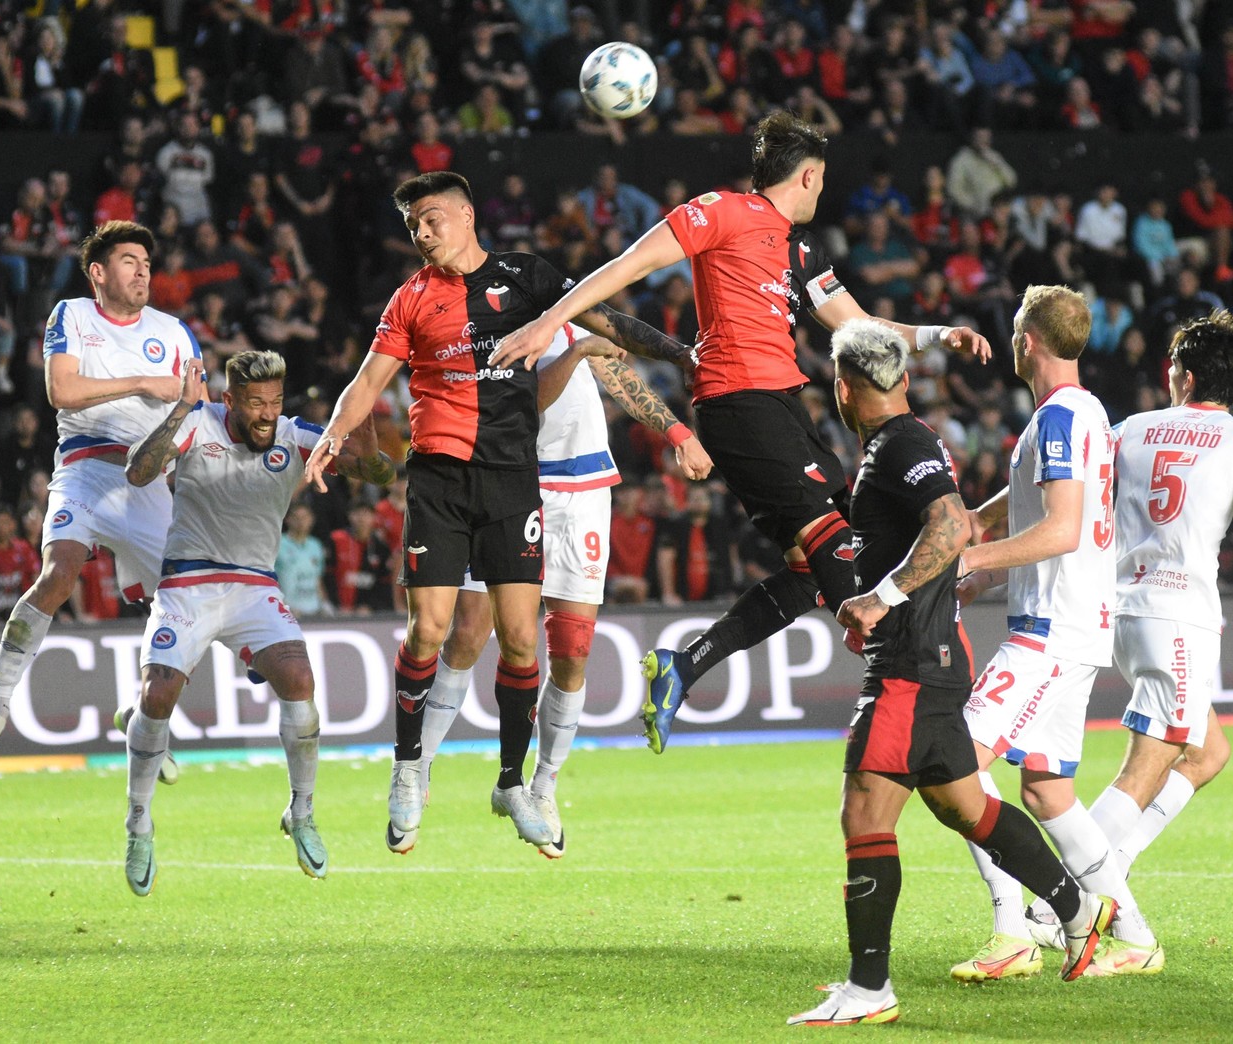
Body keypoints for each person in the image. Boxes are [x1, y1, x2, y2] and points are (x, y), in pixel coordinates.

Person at [490, 112, 991, 754]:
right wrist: (547, 322)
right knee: (833, 541)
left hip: (783, 403)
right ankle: (900, 675)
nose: (820, 192)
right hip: (737, 402)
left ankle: (687, 664)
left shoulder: (799, 249)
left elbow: (860, 325)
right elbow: (628, 265)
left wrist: (935, 335)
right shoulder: (719, 212)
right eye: (821, 181)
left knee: (816, 565)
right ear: (807, 176)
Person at [302, 171, 693, 853]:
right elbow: (369, 380)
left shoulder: (529, 280)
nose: (422, 235)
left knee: (522, 641)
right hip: (440, 480)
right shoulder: (411, 299)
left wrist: (681, 352)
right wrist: (333, 436)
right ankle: (407, 770)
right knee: (432, 632)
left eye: (430, 220)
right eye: (412, 227)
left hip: (515, 481)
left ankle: (517, 782)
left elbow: (606, 322)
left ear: (465, 216)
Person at [789, 321, 1115, 1027]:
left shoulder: (900, 445)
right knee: (962, 806)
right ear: (901, 381)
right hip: (933, 655)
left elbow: (950, 526)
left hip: (909, 664)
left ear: (842, 390)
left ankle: (869, 987)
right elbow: (937, 525)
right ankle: (1076, 905)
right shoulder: (906, 440)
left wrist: (881, 597)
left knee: (864, 811)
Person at [1021, 310, 1233, 974]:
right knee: (1143, 769)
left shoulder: (1128, 429)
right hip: (1176, 613)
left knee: (1207, 753)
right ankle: (1053, 905)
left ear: (1176, 373)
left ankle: (1105, 872)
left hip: (1118, 605)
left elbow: (1068, 495)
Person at [414, 323, 713, 857]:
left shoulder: (567, 306)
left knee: (572, 651)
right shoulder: (475, 325)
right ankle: (418, 766)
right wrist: (576, 353)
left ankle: (543, 787)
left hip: (582, 486)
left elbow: (617, 373)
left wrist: (677, 434)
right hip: (509, 478)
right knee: (467, 634)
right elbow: (527, 400)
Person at [117, 350, 395, 895]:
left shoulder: (295, 436)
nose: (267, 413)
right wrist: (179, 410)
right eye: (254, 403)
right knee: (158, 694)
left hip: (253, 586)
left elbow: (377, 474)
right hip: (188, 584)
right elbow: (138, 471)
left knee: (300, 679)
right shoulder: (198, 424)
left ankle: (303, 811)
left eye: (274, 401)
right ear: (229, 401)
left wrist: (367, 446)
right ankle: (138, 824)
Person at [948, 285, 1159, 980]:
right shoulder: (1084, 412)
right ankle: (1132, 935)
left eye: (1014, 330)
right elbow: (1041, 498)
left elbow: (1062, 527)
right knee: (1044, 790)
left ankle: (1013, 931)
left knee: (956, 768)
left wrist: (973, 557)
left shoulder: (1059, 420)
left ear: (1028, 339)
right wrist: (978, 525)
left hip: (1049, 631)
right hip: (1075, 624)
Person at [0, 221, 197, 761]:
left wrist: (180, 437)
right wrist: (141, 382)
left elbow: (196, 410)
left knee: (191, 609)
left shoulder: (175, 330)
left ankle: (142, 716)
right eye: (129, 260)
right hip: (87, 469)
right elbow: (60, 391)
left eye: (146, 262)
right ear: (98, 272)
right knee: (58, 572)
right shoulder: (71, 314)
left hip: (152, 479)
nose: (142, 270)